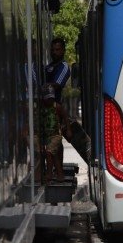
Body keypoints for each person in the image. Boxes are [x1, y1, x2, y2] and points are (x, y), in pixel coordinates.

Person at [45, 38, 71, 179]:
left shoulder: (64, 66)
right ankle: (53, 172)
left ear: (63, 50)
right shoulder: (49, 66)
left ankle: (57, 172)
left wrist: (44, 86)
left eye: (58, 49)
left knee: (54, 144)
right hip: (45, 109)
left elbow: (56, 84)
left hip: (55, 109)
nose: (55, 52)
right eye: (53, 50)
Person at [40, 84, 72, 182]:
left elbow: (66, 118)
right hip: (47, 136)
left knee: (49, 152)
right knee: (54, 156)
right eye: (47, 99)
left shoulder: (57, 107)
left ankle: (49, 174)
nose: (50, 101)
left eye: (51, 98)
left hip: (56, 135)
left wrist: (68, 129)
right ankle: (60, 175)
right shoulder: (42, 107)